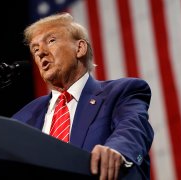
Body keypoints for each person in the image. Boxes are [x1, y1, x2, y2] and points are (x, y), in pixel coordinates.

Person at [12, 12, 154, 180]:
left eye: (51, 41)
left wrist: (118, 151)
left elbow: (133, 127)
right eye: (35, 49)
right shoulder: (22, 118)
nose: (41, 53)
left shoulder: (120, 92)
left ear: (80, 48)